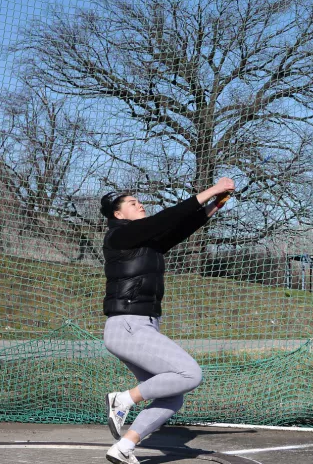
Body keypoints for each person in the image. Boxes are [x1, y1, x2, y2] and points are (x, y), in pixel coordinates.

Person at [100, 178, 235, 464]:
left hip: (142, 326)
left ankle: (124, 447)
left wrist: (217, 203)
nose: (141, 205)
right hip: (127, 325)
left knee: (174, 394)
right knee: (190, 374)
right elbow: (168, 217)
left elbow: (182, 227)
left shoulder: (147, 243)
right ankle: (122, 399)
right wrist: (211, 189)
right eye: (133, 204)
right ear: (119, 215)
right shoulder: (119, 237)